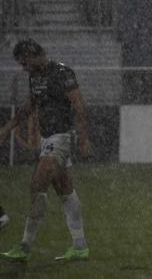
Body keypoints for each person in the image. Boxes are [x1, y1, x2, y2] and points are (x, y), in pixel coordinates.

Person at [0, 38, 91, 261]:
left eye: (24, 63)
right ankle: (80, 246)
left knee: (37, 185)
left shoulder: (61, 72)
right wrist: (9, 127)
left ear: (33, 55)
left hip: (61, 137)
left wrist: (83, 139)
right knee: (65, 190)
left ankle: (24, 246)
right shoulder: (35, 77)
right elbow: (30, 105)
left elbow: (79, 105)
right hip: (47, 138)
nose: (23, 68)